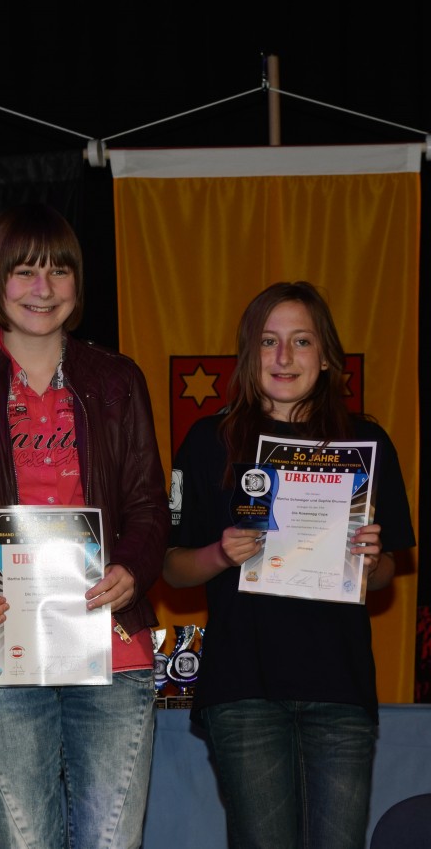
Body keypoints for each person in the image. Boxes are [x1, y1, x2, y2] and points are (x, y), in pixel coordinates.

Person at [0, 203, 169, 849]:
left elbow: (148, 507)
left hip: (111, 646)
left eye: (59, 272)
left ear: (78, 284)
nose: (43, 289)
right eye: (25, 272)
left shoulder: (117, 381)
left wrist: (133, 570)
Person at [164, 282, 415, 849]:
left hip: (339, 689)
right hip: (244, 689)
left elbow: (382, 579)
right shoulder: (209, 441)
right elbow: (173, 568)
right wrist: (218, 552)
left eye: (301, 342)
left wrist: (370, 560)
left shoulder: (365, 442)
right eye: (268, 342)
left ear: (326, 356)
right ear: (248, 355)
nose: (283, 358)